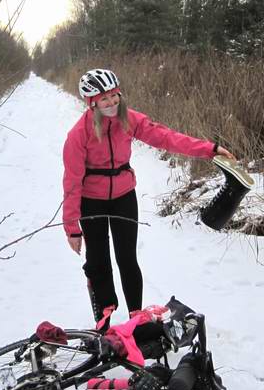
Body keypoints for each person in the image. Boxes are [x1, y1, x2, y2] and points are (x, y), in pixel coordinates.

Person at [62, 68, 235, 327]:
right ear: (92, 103)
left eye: (114, 96)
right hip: (91, 200)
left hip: (123, 196)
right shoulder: (78, 134)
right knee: (98, 262)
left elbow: (167, 138)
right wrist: (71, 228)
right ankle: (103, 322)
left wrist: (209, 150)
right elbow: (72, 183)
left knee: (127, 259)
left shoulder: (129, 120)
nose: (111, 103)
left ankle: (135, 319)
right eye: (104, 99)